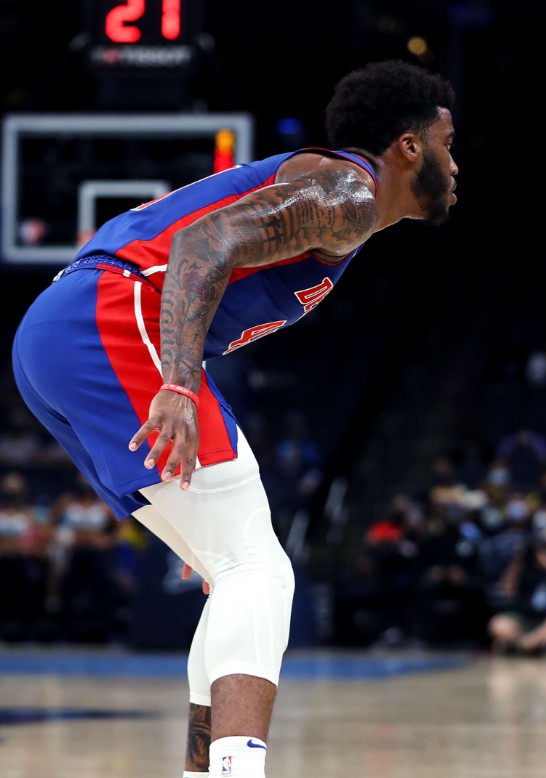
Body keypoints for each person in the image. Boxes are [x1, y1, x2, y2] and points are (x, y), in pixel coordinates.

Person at [10, 59, 458, 778]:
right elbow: (201, 244)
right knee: (260, 570)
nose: (455, 162)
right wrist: (181, 386)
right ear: (409, 146)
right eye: (448, 142)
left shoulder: (339, 198)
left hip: (62, 331)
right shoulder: (346, 190)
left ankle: (207, 772)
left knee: (234, 573)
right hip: (110, 317)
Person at [487, 525, 546, 656]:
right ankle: (535, 644)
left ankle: (526, 644)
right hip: (524, 619)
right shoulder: (523, 566)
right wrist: (517, 560)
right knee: (497, 624)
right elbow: (507, 589)